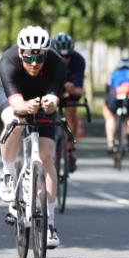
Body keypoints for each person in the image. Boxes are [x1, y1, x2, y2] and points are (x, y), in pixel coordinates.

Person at [0, 26, 67, 248]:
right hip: (13, 95)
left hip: (41, 95)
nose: (34, 63)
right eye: (29, 58)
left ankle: (50, 225)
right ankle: (8, 172)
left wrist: (50, 102)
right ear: (20, 53)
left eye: (39, 57)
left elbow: (55, 98)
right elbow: (17, 105)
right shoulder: (8, 61)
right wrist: (24, 107)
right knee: (15, 122)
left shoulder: (56, 63)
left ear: (47, 53)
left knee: (47, 159)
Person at [51, 32, 86, 173]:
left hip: (70, 93)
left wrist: (71, 89)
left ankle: (70, 150)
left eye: (68, 56)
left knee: (71, 112)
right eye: (61, 56)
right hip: (52, 90)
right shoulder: (49, 59)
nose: (65, 59)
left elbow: (79, 90)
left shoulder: (78, 60)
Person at [104, 57, 129, 153]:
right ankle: (128, 135)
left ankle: (110, 143)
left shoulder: (114, 74)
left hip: (116, 98)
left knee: (111, 117)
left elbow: (109, 88)